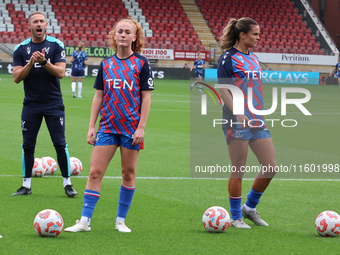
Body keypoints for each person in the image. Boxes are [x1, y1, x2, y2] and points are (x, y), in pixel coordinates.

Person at [64, 17, 154, 233]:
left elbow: (146, 98)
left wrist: (141, 127)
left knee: (128, 173)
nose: (123, 35)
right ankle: (84, 221)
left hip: (130, 128)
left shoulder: (142, 63)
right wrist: (91, 126)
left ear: (134, 37)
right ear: (115, 36)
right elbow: (98, 96)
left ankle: (120, 221)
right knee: (95, 172)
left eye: (127, 32)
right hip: (106, 127)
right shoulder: (106, 64)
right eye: (119, 31)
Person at [217, 17, 277, 228]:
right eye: (255, 34)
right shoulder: (228, 58)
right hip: (236, 120)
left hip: (257, 119)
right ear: (242, 35)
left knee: (270, 167)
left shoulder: (254, 57)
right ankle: (235, 217)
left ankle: (249, 208)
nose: (258, 38)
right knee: (238, 168)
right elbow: (223, 90)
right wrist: (238, 113)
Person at [11, 11, 77, 198]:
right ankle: (26, 185)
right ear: (29, 26)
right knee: (28, 145)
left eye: (41, 21)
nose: (39, 24)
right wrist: (30, 63)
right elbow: (16, 77)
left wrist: (44, 62)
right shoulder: (20, 49)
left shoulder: (56, 45)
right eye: (35, 22)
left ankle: (67, 184)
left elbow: (61, 72)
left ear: (46, 24)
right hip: (31, 104)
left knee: (59, 142)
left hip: (53, 103)